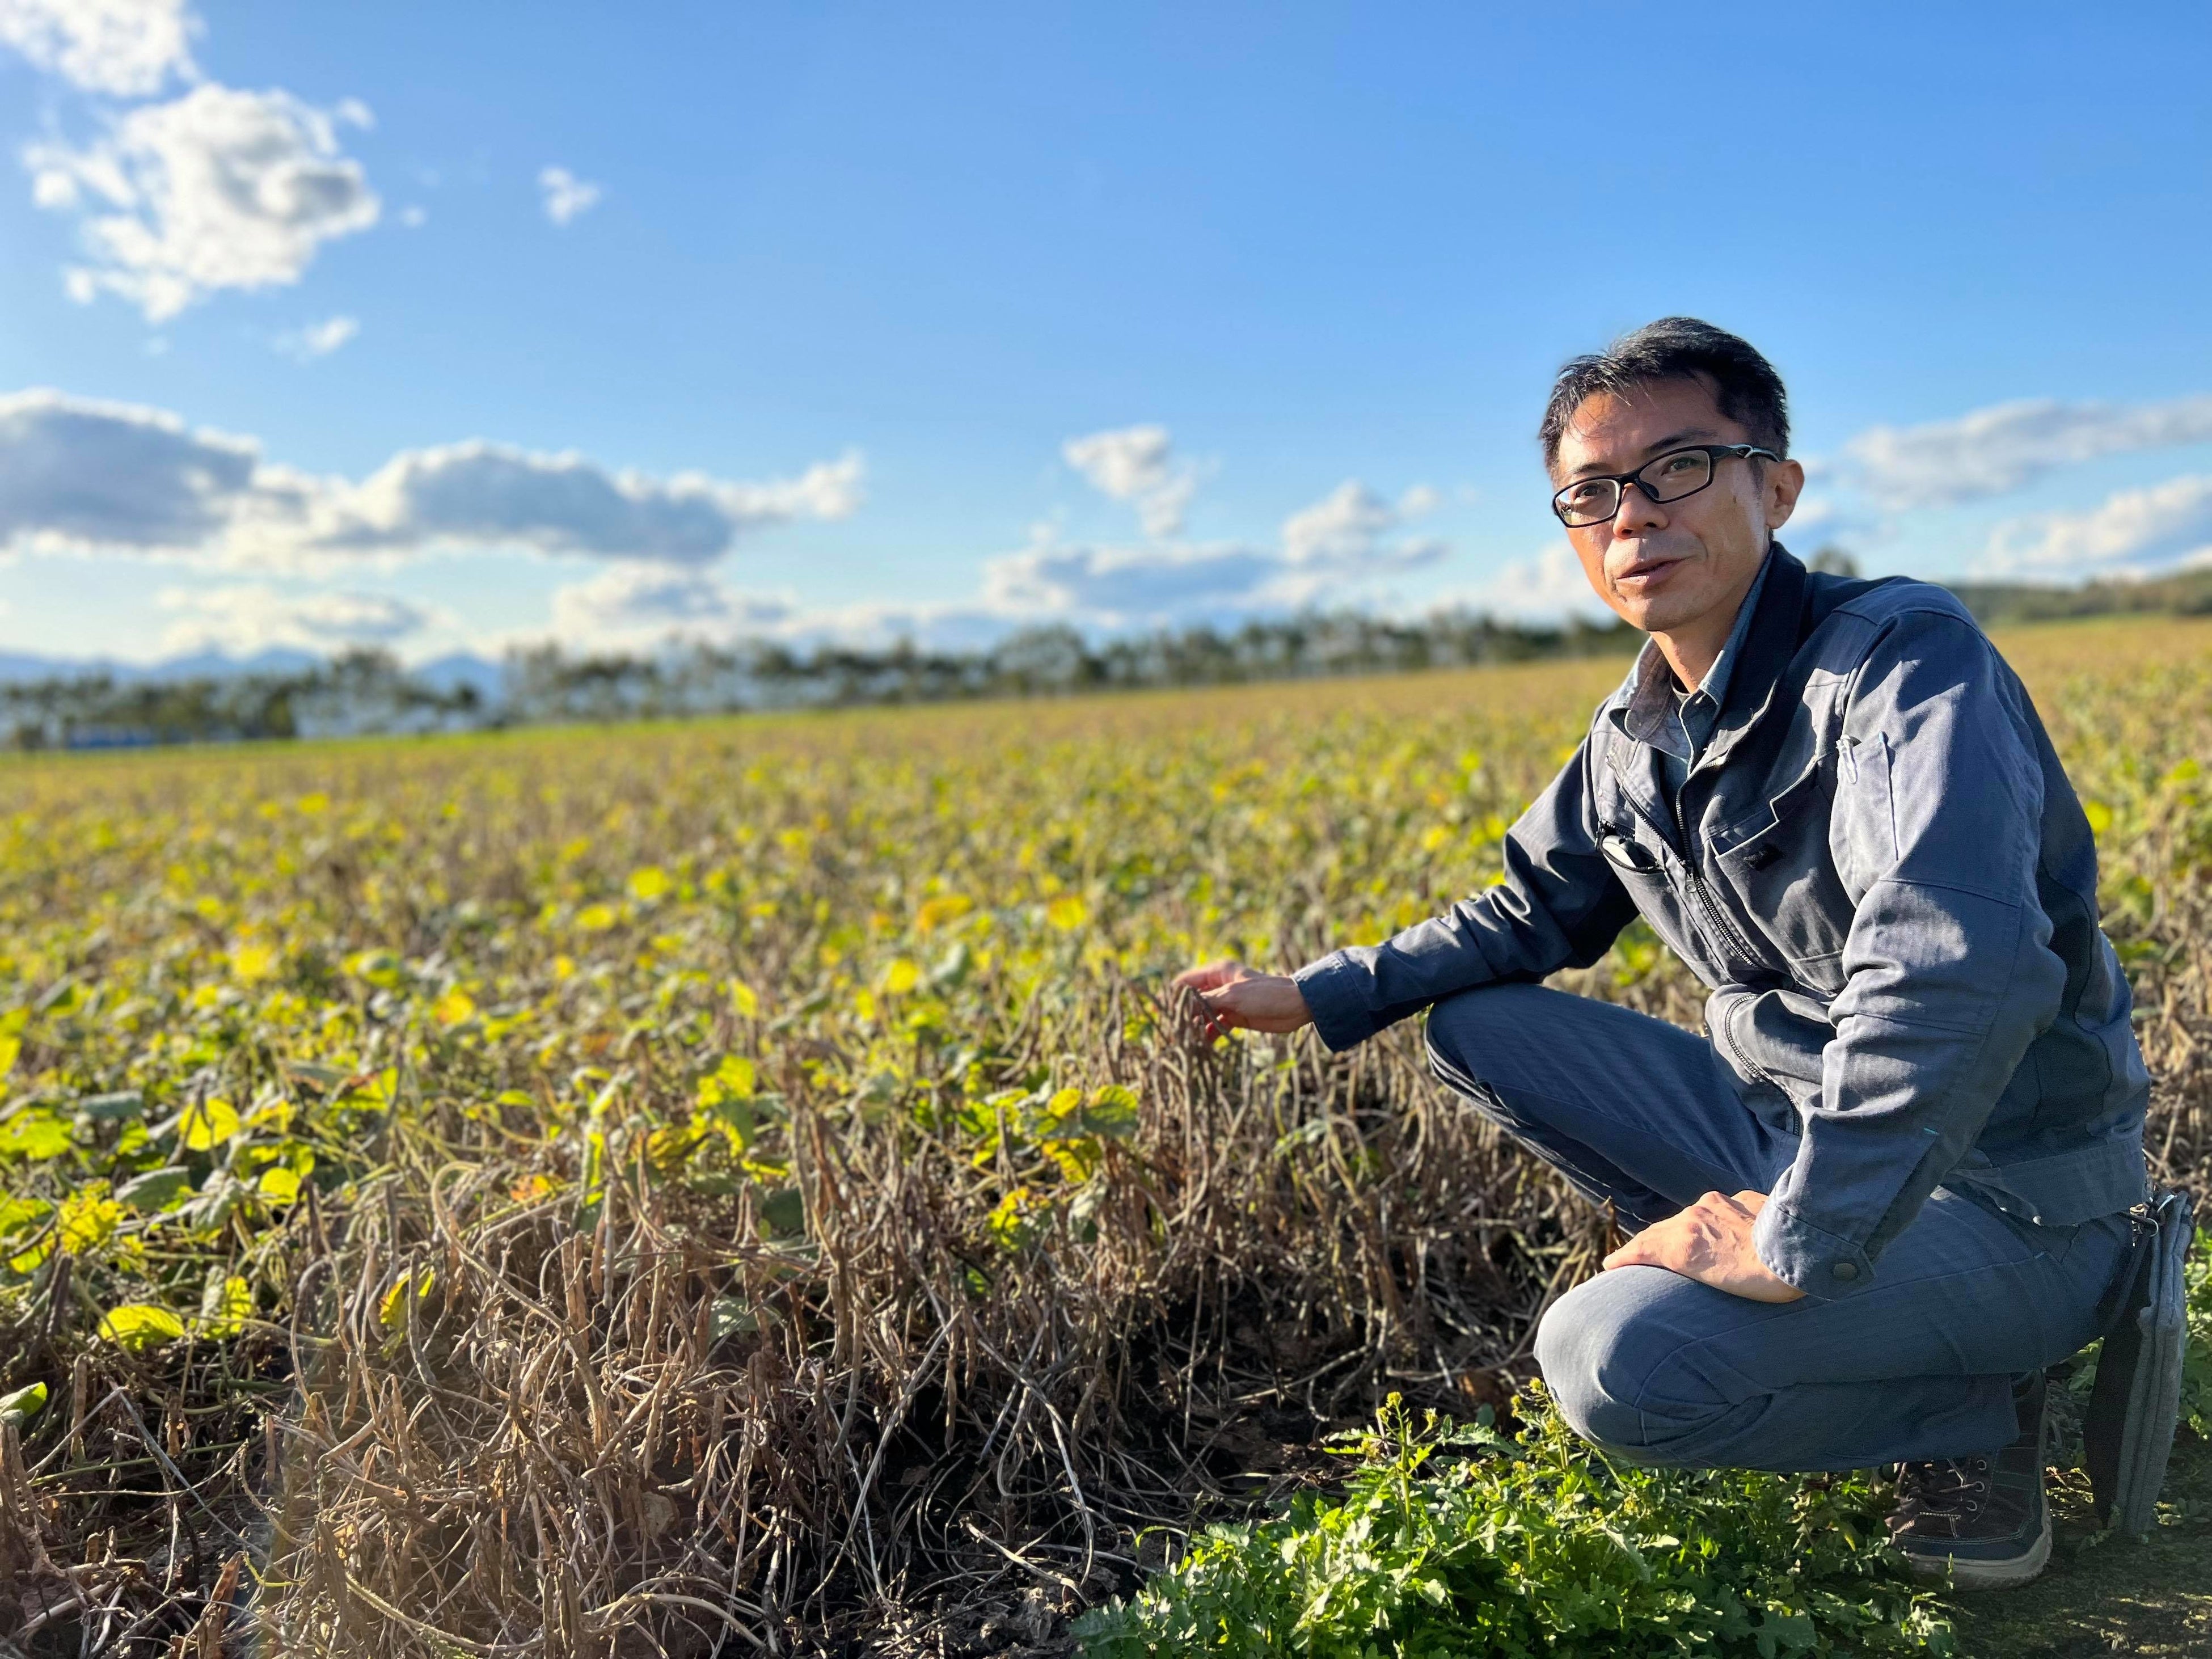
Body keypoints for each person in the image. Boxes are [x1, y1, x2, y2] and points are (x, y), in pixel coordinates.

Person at [1173, 318, 2150, 1589]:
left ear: (1776, 485)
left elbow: (1956, 959)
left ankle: (1971, 1404)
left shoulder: (1900, 661)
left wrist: (1797, 1239)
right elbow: (1525, 911)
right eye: (1593, 490)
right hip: (1806, 1126)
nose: (1633, 512)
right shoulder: (1637, 734)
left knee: (1608, 1358)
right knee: (1479, 1024)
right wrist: (1315, 991)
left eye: (1680, 465)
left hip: (2009, 1193)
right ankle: (1872, 1325)